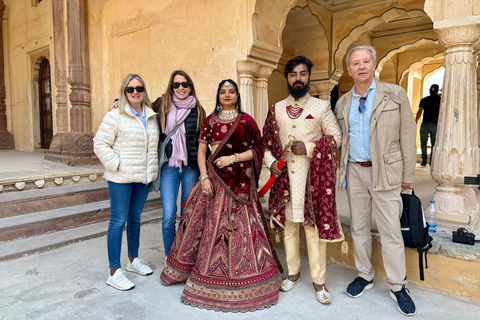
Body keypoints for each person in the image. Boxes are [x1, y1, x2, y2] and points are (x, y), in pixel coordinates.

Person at [160, 79, 282, 312]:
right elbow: (202, 151)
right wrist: (204, 178)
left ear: (237, 95)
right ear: (218, 96)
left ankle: (245, 273)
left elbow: (256, 149)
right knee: (203, 225)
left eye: (231, 91)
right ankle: (192, 269)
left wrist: (232, 158)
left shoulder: (247, 121)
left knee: (240, 228)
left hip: (240, 182)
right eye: (223, 92)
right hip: (213, 182)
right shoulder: (210, 121)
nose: (227, 95)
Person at [334, 45, 417, 316]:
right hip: (354, 171)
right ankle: (365, 275)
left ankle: (397, 285)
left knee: (390, 229)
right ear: (349, 69)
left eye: (366, 61)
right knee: (358, 228)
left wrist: (408, 178)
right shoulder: (342, 102)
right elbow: (337, 140)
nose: (361, 67)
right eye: (355, 63)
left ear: (374, 65)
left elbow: (407, 137)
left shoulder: (394, 95)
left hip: (386, 172)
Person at [262, 55, 343, 305]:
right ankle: (293, 273)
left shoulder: (321, 107)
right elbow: (265, 142)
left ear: (308, 76)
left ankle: (319, 281)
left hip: (312, 181)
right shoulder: (275, 108)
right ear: (287, 78)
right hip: (285, 180)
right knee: (289, 229)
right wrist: (271, 163)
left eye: (303, 74)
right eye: (293, 74)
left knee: (313, 230)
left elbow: (336, 137)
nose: (298, 79)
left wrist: (308, 148)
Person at [94, 74, 159, 291]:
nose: (135, 92)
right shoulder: (115, 115)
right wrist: (116, 163)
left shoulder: (151, 115)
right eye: (130, 89)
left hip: (141, 178)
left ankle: (133, 261)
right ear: (124, 92)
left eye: (139, 88)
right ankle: (114, 271)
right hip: (120, 178)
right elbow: (100, 143)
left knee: (135, 219)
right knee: (117, 221)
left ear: (144, 91)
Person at [154, 70, 206, 257]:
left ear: (190, 87)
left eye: (184, 84)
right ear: (171, 87)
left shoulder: (198, 110)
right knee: (169, 215)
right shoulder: (162, 106)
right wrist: (119, 102)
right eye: (176, 85)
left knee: (187, 214)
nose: (181, 88)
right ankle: (170, 257)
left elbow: (203, 142)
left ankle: (184, 256)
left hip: (191, 167)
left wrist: (204, 171)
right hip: (169, 166)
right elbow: (139, 106)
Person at [415, 84, 441, 166]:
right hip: (435, 124)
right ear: (437, 90)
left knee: (423, 143)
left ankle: (424, 160)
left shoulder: (424, 99)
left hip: (425, 124)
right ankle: (432, 160)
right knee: (434, 143)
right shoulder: (441, 100)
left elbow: (420, 111)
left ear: (430, 90)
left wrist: (415, 121)